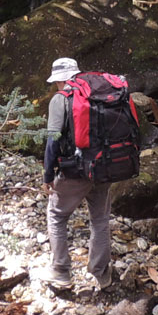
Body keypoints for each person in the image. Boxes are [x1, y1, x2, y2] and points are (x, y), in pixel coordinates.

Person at [39, 57, 117, 291]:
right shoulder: (99, 93)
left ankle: (61, 272)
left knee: (56, 215)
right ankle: (101, 274)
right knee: (100, 219)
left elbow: (53, 141)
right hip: (104, 167)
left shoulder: (60, 99)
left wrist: (48, 175)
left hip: (76, 170)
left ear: (60, 80)